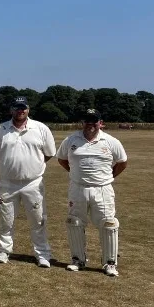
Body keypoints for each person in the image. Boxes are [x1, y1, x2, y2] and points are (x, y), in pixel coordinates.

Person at [56, 109, 127, 277]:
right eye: (87, 120)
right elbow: (62, 159)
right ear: (83, 122)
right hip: (77, 188)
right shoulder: (71, 140)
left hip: (103, 189)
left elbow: (122, 162)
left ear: (100, 122)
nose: (90, 124)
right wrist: (75, 174)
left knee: (108, 224)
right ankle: (77, 260)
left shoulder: (110, 141)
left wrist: (109, 177)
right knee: (74, 223)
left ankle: (110, 263)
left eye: (94, 120)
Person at [0, 97, 56, 267]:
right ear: (11, 110)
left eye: (23, 108)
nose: (20, 111)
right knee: (5, 220)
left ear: (28, 109)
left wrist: (32, 166)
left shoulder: (40, 128)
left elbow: (48, 153)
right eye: (17, 108)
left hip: (33, 183)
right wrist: (11, 166)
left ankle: (42, 254)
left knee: (38, 220)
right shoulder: (0, 130)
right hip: (7, 183)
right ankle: (3, 251)